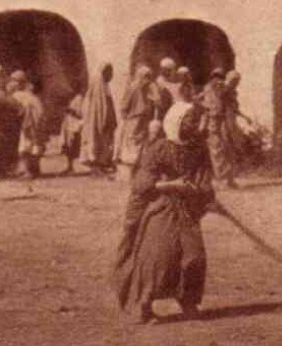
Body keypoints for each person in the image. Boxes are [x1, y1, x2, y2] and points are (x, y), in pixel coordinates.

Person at [113, 99, 213, 324]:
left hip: (187, 208)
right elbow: (141, 184)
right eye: (189, 120)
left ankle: (188, 302)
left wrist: (202, 192)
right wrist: (171, 185)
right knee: (157, 257)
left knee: (194, 257)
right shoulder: (159, 148)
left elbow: (205, 177)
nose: (194, 124)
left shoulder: (199, 148)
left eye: (195, 120)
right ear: (176, 122)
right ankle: (142, 306)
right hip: (161, 206)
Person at [76, 64, 119, 177]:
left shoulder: (105, 86)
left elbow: (108, 105)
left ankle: (100, 165)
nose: (111, 75)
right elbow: (98, 107)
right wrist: (101, 119)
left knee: (104, 142)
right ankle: (95, 168)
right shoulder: (97, 87)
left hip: (105, 121)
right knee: (95, 141)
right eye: (109, 72)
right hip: (95, 121)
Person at [115, 65, 156, 185]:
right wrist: (127, 121)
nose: (148, 80)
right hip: (133, 122)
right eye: (146, 77)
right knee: (131, 147)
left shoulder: (147, 89)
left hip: (142, 122)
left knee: (141, 148)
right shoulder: (133, 88)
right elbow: (123, 106)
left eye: (149, 77)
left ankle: (136, 175)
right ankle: (128, 176)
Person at [9, 71, 47, 179]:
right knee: (33, 146)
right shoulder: (28, 95)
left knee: (26, 148)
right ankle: (32, 169)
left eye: (15, 81)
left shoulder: (19, 95)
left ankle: (28, 171)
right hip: (34, 122)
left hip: (29, 123)